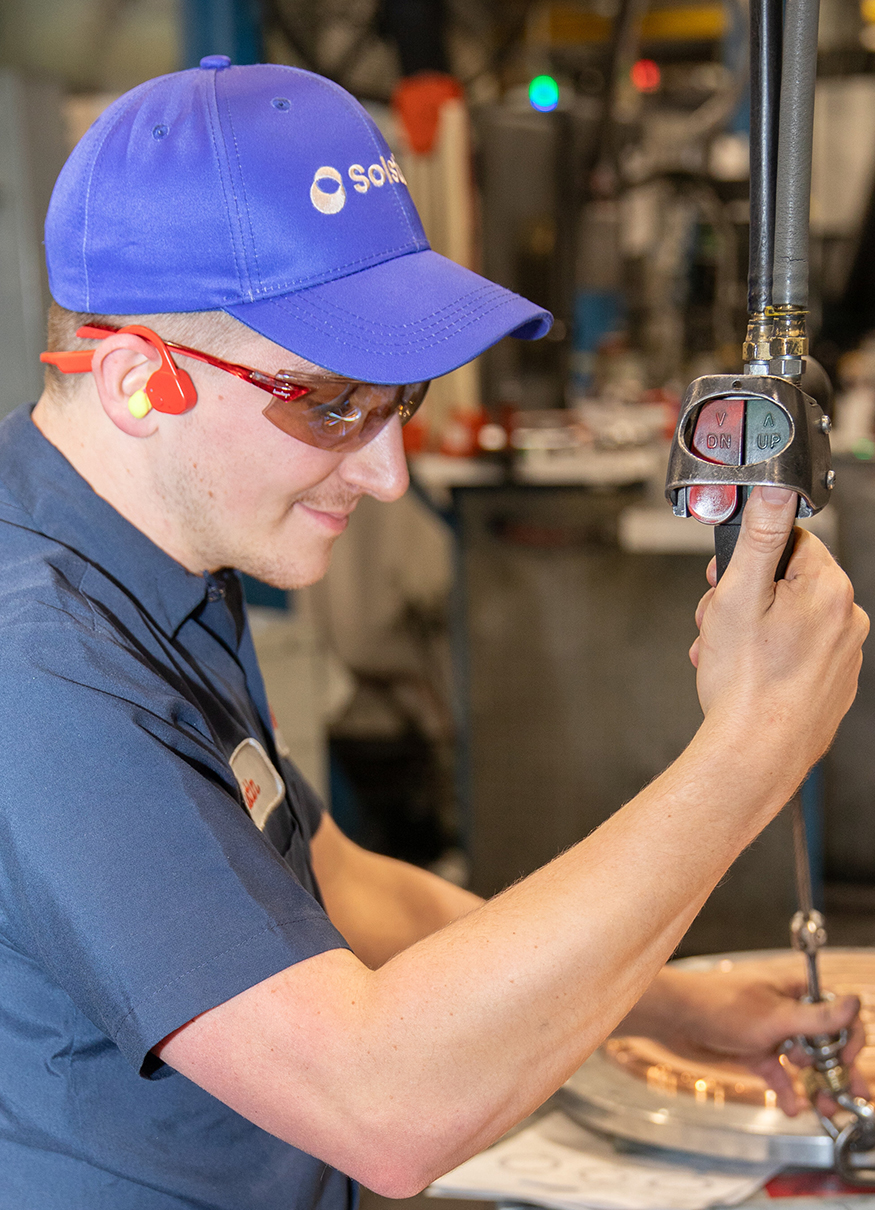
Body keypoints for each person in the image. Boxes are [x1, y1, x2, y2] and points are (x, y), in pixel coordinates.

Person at [0, 56, 866, 1210]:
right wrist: (748, 752)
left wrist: (657, 997)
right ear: (133, 379)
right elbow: (385, 1108)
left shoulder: (158, 563)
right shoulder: (39, 663)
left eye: (397, 398)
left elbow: (337, 882)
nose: (387, 470)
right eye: (328, 402)